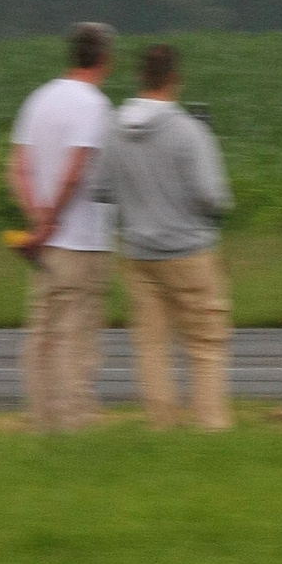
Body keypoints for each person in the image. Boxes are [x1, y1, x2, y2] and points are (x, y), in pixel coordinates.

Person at [93, 44, 236, 430]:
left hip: (138, 252)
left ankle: (161, 423)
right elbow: (212, 196)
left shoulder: (114, 128)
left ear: (140, 78)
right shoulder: (189, 130)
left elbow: (99, 188)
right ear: (175, 79)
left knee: (151, 343)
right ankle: (210, 425)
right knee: (205, 342)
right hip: (188, 251)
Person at [9, 21, 117, 431]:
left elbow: (17, 168)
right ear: (105, 59)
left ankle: (42, 421)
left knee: (43, 335)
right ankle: (74, 425)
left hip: (47, 244)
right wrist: (53, 221)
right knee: (77, 336)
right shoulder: (94, 105)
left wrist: (37, 221)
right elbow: (75, 172)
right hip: (82, 242)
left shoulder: (39, 99)